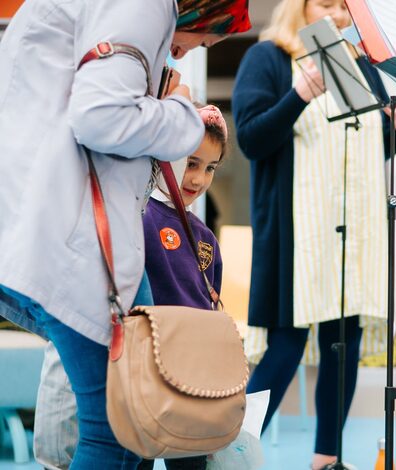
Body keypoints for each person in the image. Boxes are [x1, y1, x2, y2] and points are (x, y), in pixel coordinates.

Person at [0, 1, 250, 468]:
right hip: (70, 236)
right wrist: (180, 112)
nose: (186, 51)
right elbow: (100, 117)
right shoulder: (146, 4)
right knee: (116, 429)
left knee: (128, 421)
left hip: (43, 224)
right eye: (208, 40)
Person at [231, 0, 396, 468]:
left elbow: (368, 146)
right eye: (326, 2)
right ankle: (229, 453)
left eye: (344, 5)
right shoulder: (267, 58)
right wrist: (300, 94)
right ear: (300, 5)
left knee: (343, 342)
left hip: (351, 227)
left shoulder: (358, 64)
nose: (336, 13)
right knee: (285, 346)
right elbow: (250, 139)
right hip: (295, 232)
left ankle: (325, 459)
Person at [136, 104, 228, 470]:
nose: (199, 179)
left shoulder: (205, 236)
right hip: (144, 373)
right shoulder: (138, 216)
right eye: (191, 163)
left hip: (193, 378)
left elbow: (211, 304)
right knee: (136, 459)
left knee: (190, 463)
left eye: (210, 168)